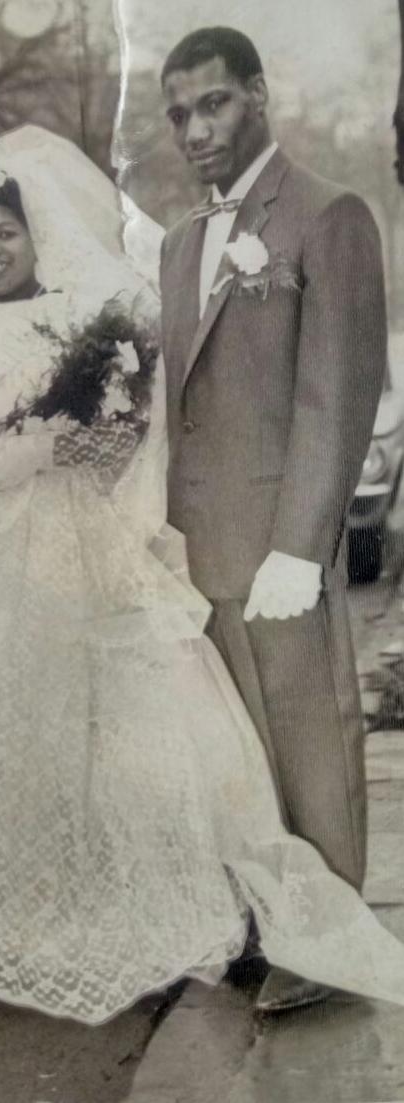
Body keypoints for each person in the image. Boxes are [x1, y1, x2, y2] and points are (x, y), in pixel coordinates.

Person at [0, 125, 404, 1026]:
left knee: (80, 728)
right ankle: (11, 913)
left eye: (6, 232)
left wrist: (45, 449)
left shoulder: (82, 322)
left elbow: (119, 436)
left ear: (36, 235)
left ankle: (96, 910)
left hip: (63, 549)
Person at [159, 26, 387, 1012]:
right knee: (236, 752)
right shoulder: (178, 242)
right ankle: (265, 919)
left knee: (307, 741)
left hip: (278, 542)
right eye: (178, 114)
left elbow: (337, 387)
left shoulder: (327, 215)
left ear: (256, 94)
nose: (194, 130)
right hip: (197, 544)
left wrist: (302, 542)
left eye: (212, 103)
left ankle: (328, 944)